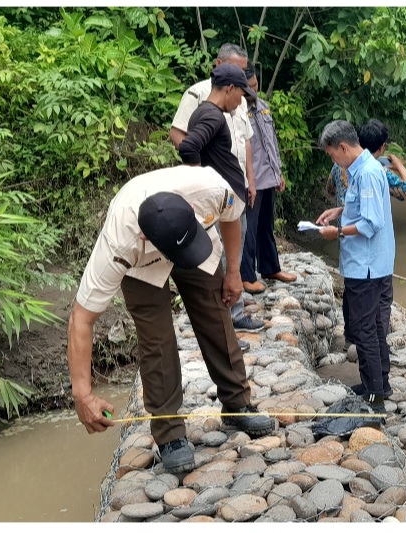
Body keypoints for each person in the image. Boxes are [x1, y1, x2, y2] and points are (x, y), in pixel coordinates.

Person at [67, 165, 274, 475]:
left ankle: (237, 403)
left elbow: (232, 219)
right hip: (142, 263)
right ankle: (170, 435)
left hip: (194, 237)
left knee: (216, 313)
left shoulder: (210, 189)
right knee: (157, 340)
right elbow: (81, 320)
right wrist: (82, 393)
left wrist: (233, 272)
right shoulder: (119, 243)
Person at [171, 44, 264, 334]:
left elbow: (242, 144)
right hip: (219, 203)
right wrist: (201, 184)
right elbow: (186, 144)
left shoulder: (213, 110)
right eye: (241, 93)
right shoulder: (209, 111)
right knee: (222, 264)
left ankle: (228, 321)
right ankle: (226, 324)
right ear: (229, 88)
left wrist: (248, 181)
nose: (242, 101)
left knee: (229, 260)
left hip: (230, 199)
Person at [314, 121, 396, 410]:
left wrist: (336, 232)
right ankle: (378, 384)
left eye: (332, 155)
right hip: (367, 263)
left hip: (367, 266)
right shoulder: (359, 170)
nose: (333, 161)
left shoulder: (368, 173)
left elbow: (372, 223)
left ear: (344, 147)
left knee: (364, 330)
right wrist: (340, 211)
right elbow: (363, 208)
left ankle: (375, 397)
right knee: (371, 327)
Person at [240, 65, 298, 292]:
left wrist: (278, 172)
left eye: (256, 85)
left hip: (269, 177)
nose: (254, 90)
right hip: (250, 181)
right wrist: (248, 181)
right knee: (248, 228)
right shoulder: (236, 113)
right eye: (249, 87)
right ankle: (247, 276)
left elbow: (271, 142)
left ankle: (270, 267)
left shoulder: (263, 108)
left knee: (266, 226)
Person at [358, 120, 406, 202]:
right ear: (382, 147)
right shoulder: (380, 172)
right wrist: (399, 166)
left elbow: (333, 191)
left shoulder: (341, 166)